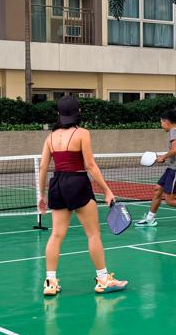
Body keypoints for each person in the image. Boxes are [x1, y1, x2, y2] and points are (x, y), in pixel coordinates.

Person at [36, 96, 127, 297]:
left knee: (56, 234)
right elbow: (90, 165)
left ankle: (50, 283)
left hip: (57, 184)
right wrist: (107, 190)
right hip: (77, 182)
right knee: (93, 234)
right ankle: (103, 279)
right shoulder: (82, 133)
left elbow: (43, 167)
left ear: (59, 114)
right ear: (78, 112)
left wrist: (41, 195)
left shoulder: (50, 137)